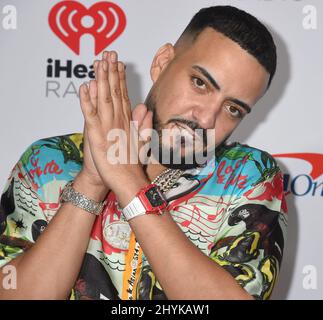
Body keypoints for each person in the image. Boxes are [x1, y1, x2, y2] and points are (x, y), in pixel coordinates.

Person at [0, 5, 287, 300]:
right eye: (200, 83)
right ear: (163, 63)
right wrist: (91, 182)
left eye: (232, 109)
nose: (206, 119)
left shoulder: (249, 176)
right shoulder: (49, 159)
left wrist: (129, 183)